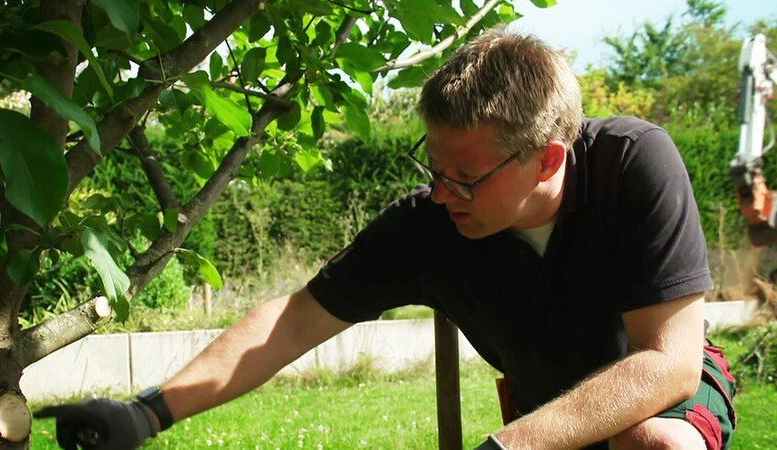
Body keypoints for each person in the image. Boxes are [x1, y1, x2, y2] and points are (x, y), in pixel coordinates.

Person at [36, 25, 737, 449]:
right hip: (541, 412)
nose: (441, 192)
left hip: (657, 404)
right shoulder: (432, 225)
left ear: (549, 158)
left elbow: (668, 364)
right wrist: (147, 414)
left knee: (652, 442)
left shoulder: (633, 165)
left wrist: (505, 445)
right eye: (433, 167)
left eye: (465, 175)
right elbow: (291, 323)